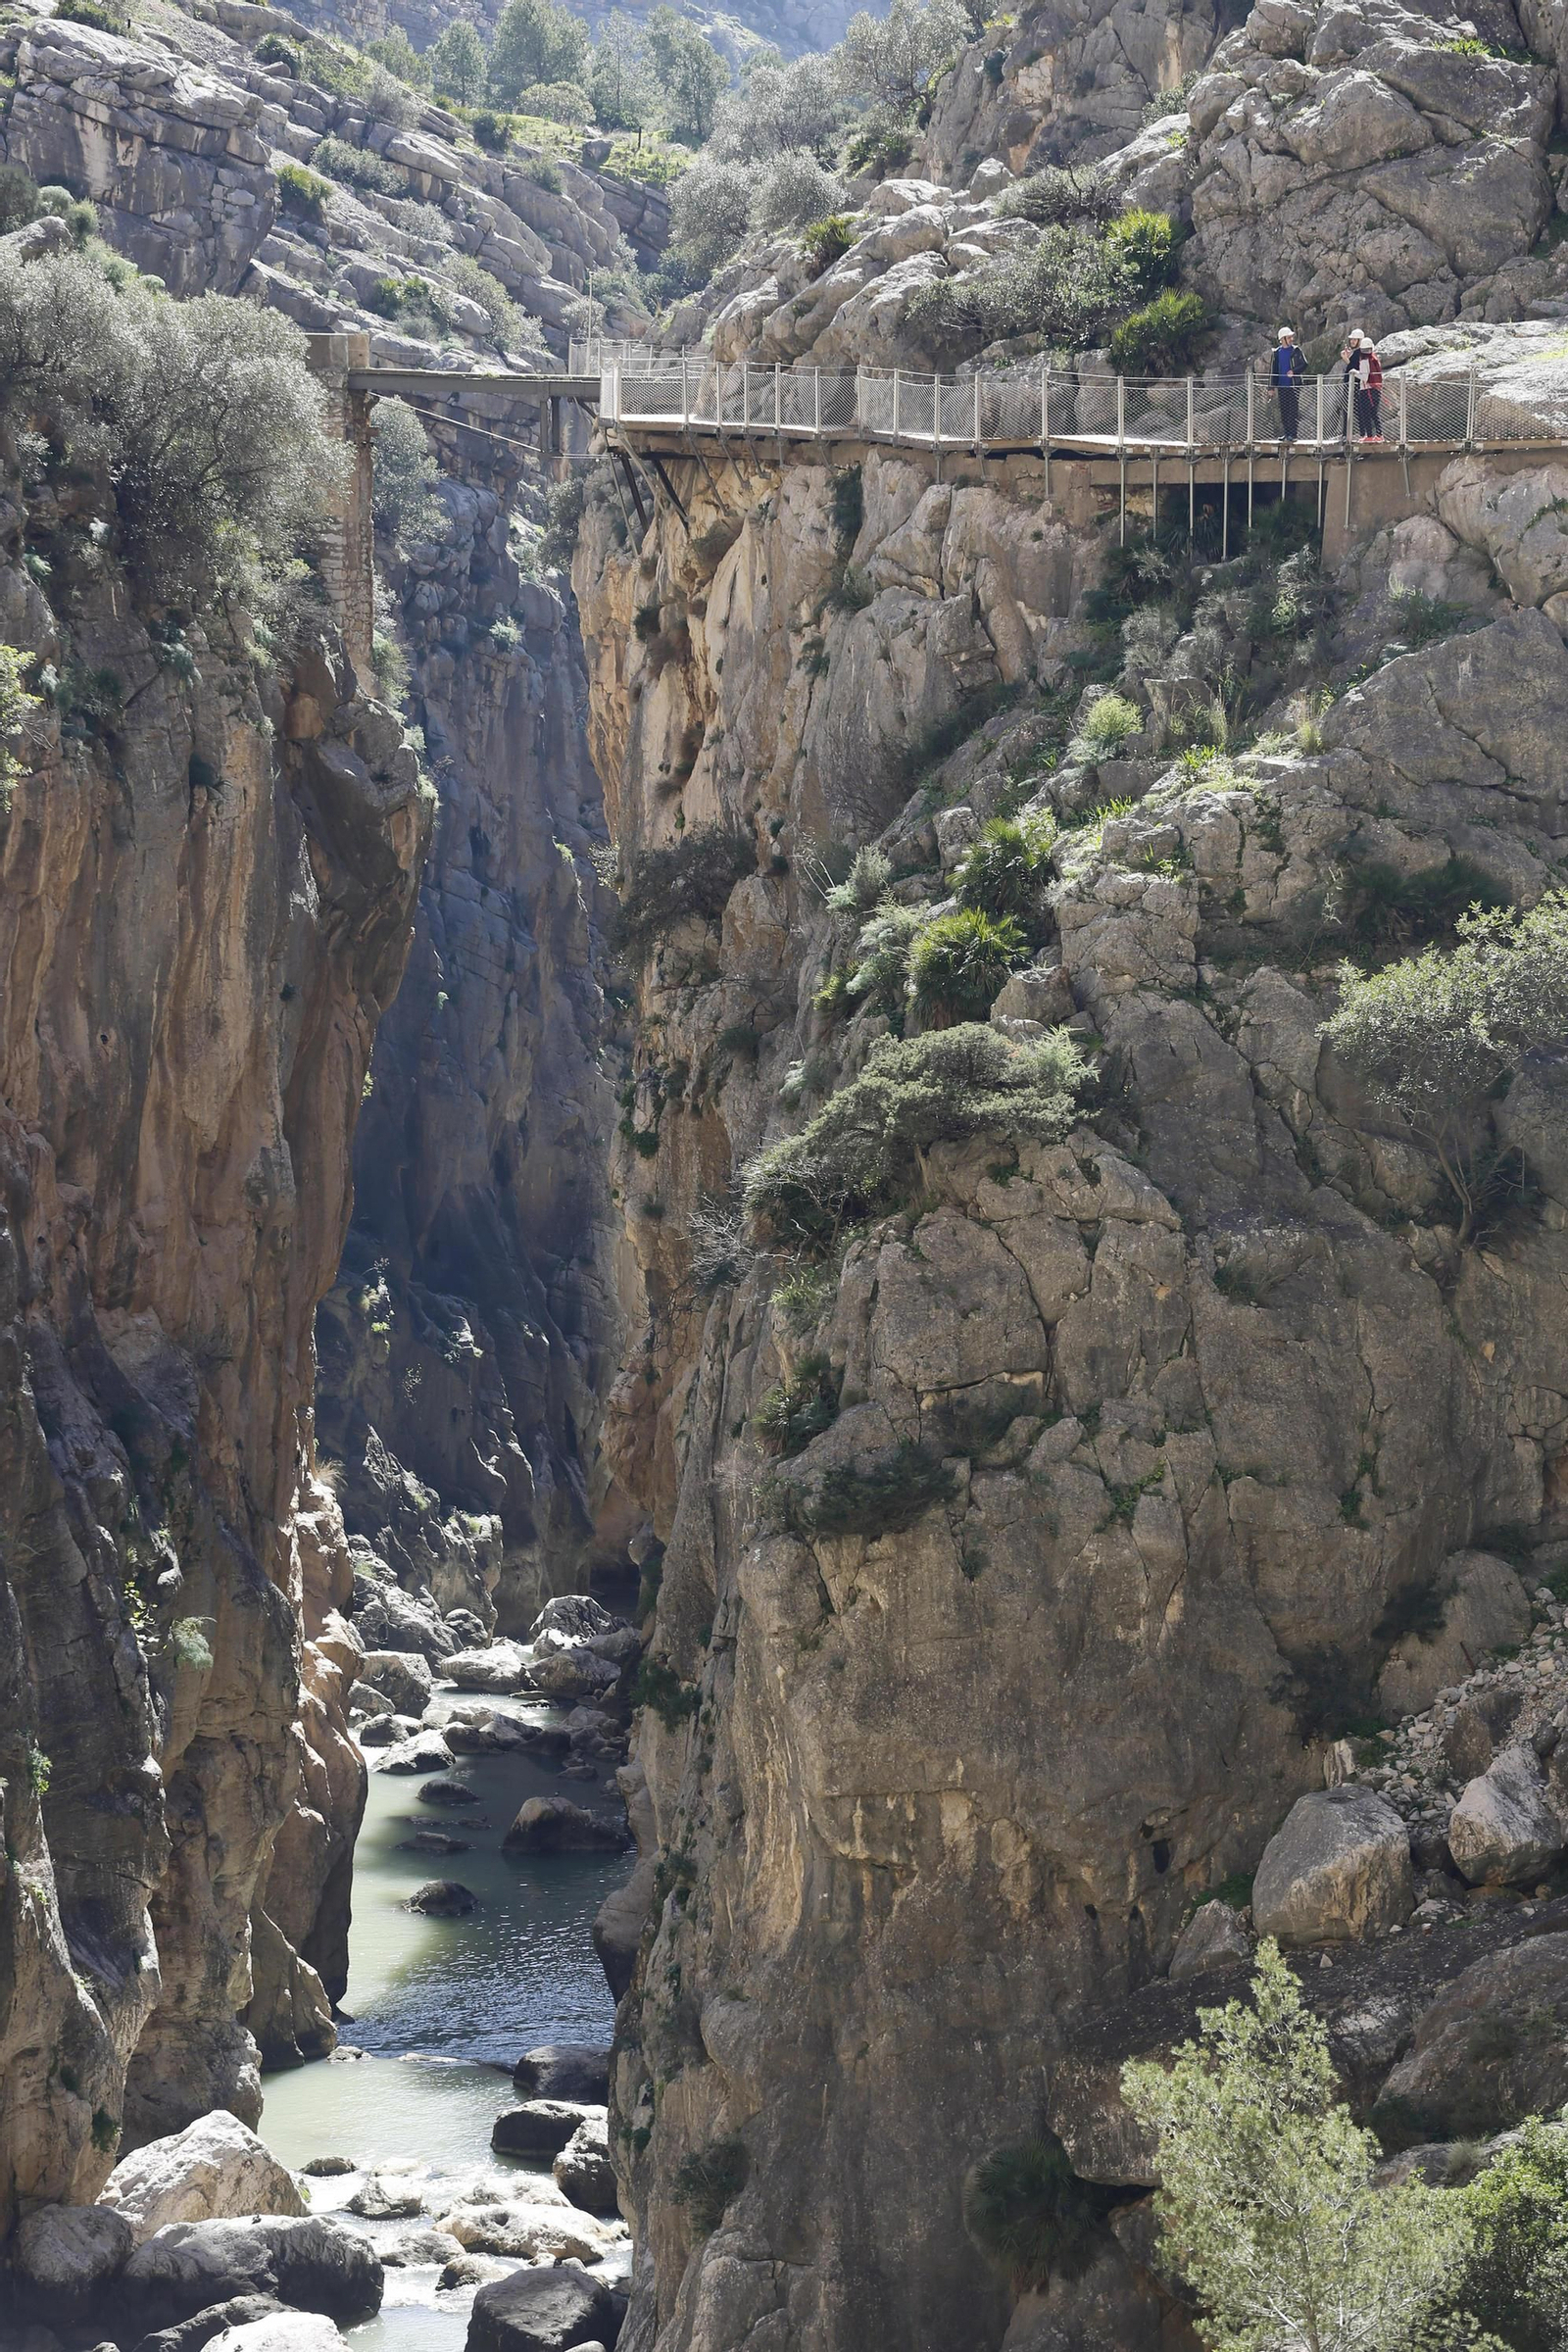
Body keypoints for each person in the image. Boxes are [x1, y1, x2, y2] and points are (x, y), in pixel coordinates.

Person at [1342, 330, 1384, 441]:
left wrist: (1353, 370)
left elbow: (1364, 375)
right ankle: (1376, 435)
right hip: (1372, 388)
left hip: (1365, 389)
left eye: (1355, 339)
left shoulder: (1364, 358)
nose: (1352, 341)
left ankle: (1368, 435)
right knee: (1372, 412)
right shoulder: (1373, 358)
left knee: (1365, 412)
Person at [1269, 326, 1304, 440]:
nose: (1291, 339)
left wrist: (1294, 371)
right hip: (1282, 386)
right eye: (1289, 337)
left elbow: (1304, 364)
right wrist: (1271, 387)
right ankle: (1286, 433)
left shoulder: (1296, 350)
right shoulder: (1276, 353)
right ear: (1282, 339)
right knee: (1284, 410)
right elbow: (1273, 370)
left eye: (1291, 337)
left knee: (1293, 410)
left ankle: (1293, 435)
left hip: (1293, 385)